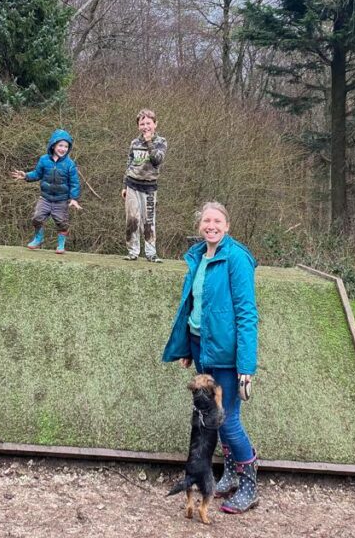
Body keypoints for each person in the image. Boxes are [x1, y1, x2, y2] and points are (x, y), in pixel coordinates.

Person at [162, 201, 260, 514]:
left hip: (228, 357)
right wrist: (188, 350)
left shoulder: (237, 258)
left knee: (226, 421)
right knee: (212, 421)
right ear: (200, 226)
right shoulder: (198, 257)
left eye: (217, 221)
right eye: (206, 221)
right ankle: (230, 475)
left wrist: (246, 366)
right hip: (201, 347)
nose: (211, 226)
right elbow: (192, 306)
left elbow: (247, 313)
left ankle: (249, 485)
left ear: (227, 226)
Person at [10, 128, 81, 254]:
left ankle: (61, 244)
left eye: (66, 146)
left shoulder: (70, 164)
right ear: (53, 145)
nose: (63, 149)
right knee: (37, 217)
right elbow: (37, 174)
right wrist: (25, 175)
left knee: (61, 222)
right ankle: (38, 238)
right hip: (45, 198)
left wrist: (74, 199)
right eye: (60, 145)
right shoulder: (44, 160)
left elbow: (74, 183)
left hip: (61, 200)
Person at [121, 108, 167, 262]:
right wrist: (124, 186)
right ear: (138, 126)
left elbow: (157, 160)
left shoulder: (161, 142)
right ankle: (133, 252)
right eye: (142, 124)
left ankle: (151, 253)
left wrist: (148, 141)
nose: (145, 126)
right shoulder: (134, 142)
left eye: (148, 123)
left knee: (148, 221)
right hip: (132, 184)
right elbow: (129, 163)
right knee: (132, 219)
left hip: (149, 188)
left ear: (155, 124)